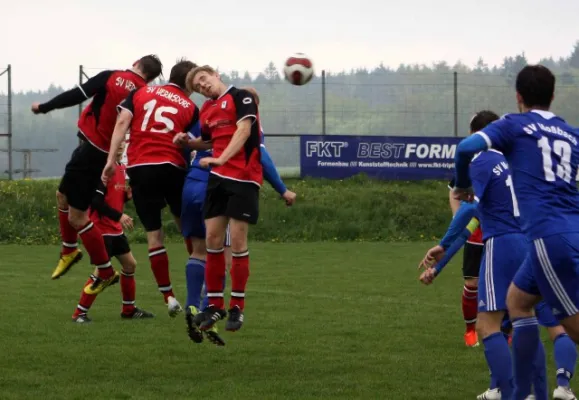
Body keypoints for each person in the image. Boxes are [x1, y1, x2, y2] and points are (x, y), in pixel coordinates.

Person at [453, 65, 579, 400]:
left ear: (519, 97)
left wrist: (462, 183)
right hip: (558, 233)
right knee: (518, 303)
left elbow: (465, 149)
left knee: (570, 325)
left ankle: (516, 391)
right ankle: (526, 393)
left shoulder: (514, 124)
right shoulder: (570, 133)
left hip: (549, 236)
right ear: (552, 96)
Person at [32, 55, 163, 297]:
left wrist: (45, 107)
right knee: (63, 197)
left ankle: (95, 265)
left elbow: (76, 95)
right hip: (101, 154)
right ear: (153, 77)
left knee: (78, 216)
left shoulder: (112, 77)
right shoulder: (144, 95)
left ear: (135, 62)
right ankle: (72, 251)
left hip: (92, 150)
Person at [175, 86, 296, 345]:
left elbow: (189, 147)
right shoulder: (248, 125)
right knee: (228, 253)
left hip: (191, 184)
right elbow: (261, 157)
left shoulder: (205, 116)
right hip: (220, 183)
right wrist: (283, 190)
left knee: (200, 250)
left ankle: (192, 305)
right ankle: (214, 308)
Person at [102, 59, 206, 318]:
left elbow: (122, 122)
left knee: (154, 236)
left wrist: (110, 160)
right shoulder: (191, 107)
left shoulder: (138, 93)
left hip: (140, 168)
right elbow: (197, 142)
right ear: (189, 85)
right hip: (172, 166)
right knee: (188, 228)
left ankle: (168, 296)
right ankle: (202, 282)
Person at [185, 65, 262, 333]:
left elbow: (243, 130)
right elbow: (209, 141)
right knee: (212, 240)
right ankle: (215, 305)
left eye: (204, 79)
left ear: (216, 74)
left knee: (238, 240)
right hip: (218, 177)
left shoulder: (242, 96)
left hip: (243, 175)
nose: (203, 86)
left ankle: (237, 307)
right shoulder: (206, 110)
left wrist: (222, 158)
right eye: (197, 86)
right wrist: (189, 143)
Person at [71, 143, 154, 323]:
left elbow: (118, 195)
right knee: (102, 273)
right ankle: (79, 313)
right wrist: (119, 216)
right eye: (116, 144)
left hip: (115, 230)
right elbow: (96, 201)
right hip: (101, 229)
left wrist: (129, 194)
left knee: (130, 265)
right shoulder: (105, 170)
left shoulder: (122, 168)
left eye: (123, 143)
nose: (120, 147)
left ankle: (129, 310)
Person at [449, 172, 484, 347]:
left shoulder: (509, 161)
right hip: (475, 237)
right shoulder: (471, 165)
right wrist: (458, 217)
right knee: (472, 285)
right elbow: (453, 189)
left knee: (507, 284)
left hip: (502, 234)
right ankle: (470, 330)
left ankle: (506, 330)